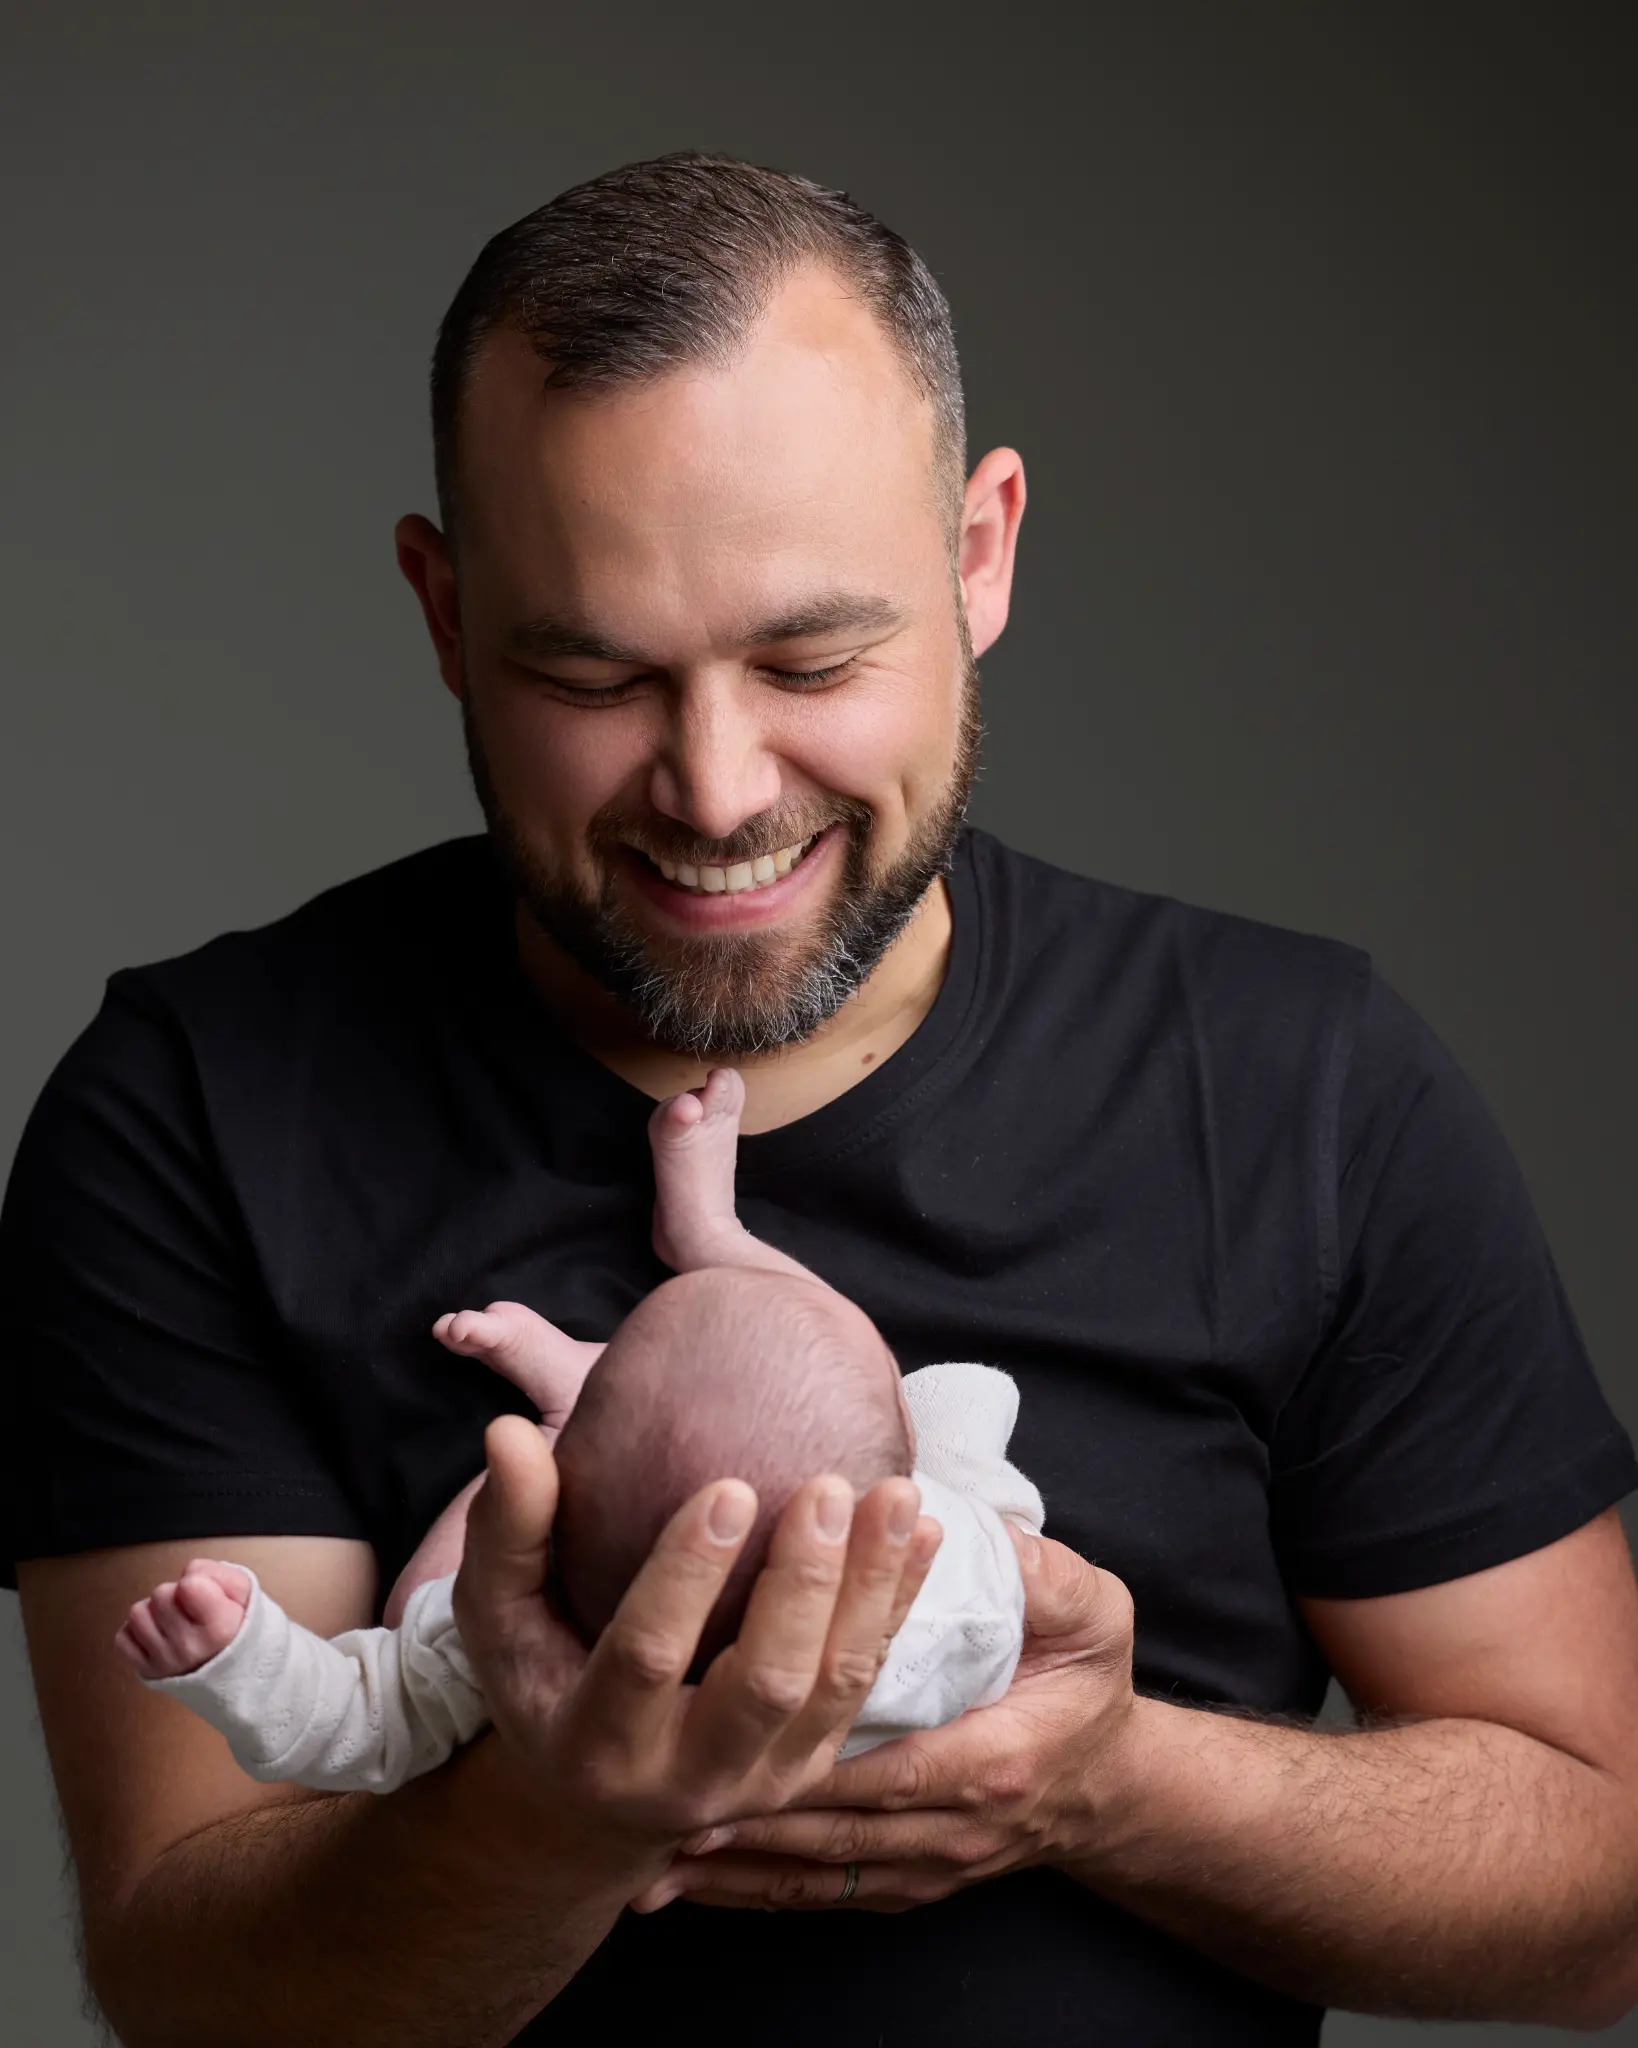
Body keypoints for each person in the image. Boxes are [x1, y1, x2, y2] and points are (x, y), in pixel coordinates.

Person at [5, 149, 1638, 2046]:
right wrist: (563, 1812)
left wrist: (1101, 1778)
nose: (712, 786)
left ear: (979, 555)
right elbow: (190, 1974)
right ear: (445, 617)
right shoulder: (198, 1109)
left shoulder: (1294, 1080)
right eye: (591, 670)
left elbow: (1596, 1893)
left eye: (810, 656)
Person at [116, 1070, 1045, 1786]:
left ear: (550, 1535)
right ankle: (709, 1236)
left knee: (413, 1627)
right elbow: (963, 1460)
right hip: (950, 1535)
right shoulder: (965, 1578)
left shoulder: (519, 1652)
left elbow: (346, 1723)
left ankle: (610, 1360)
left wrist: (240, 1659)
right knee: (864, 1378)